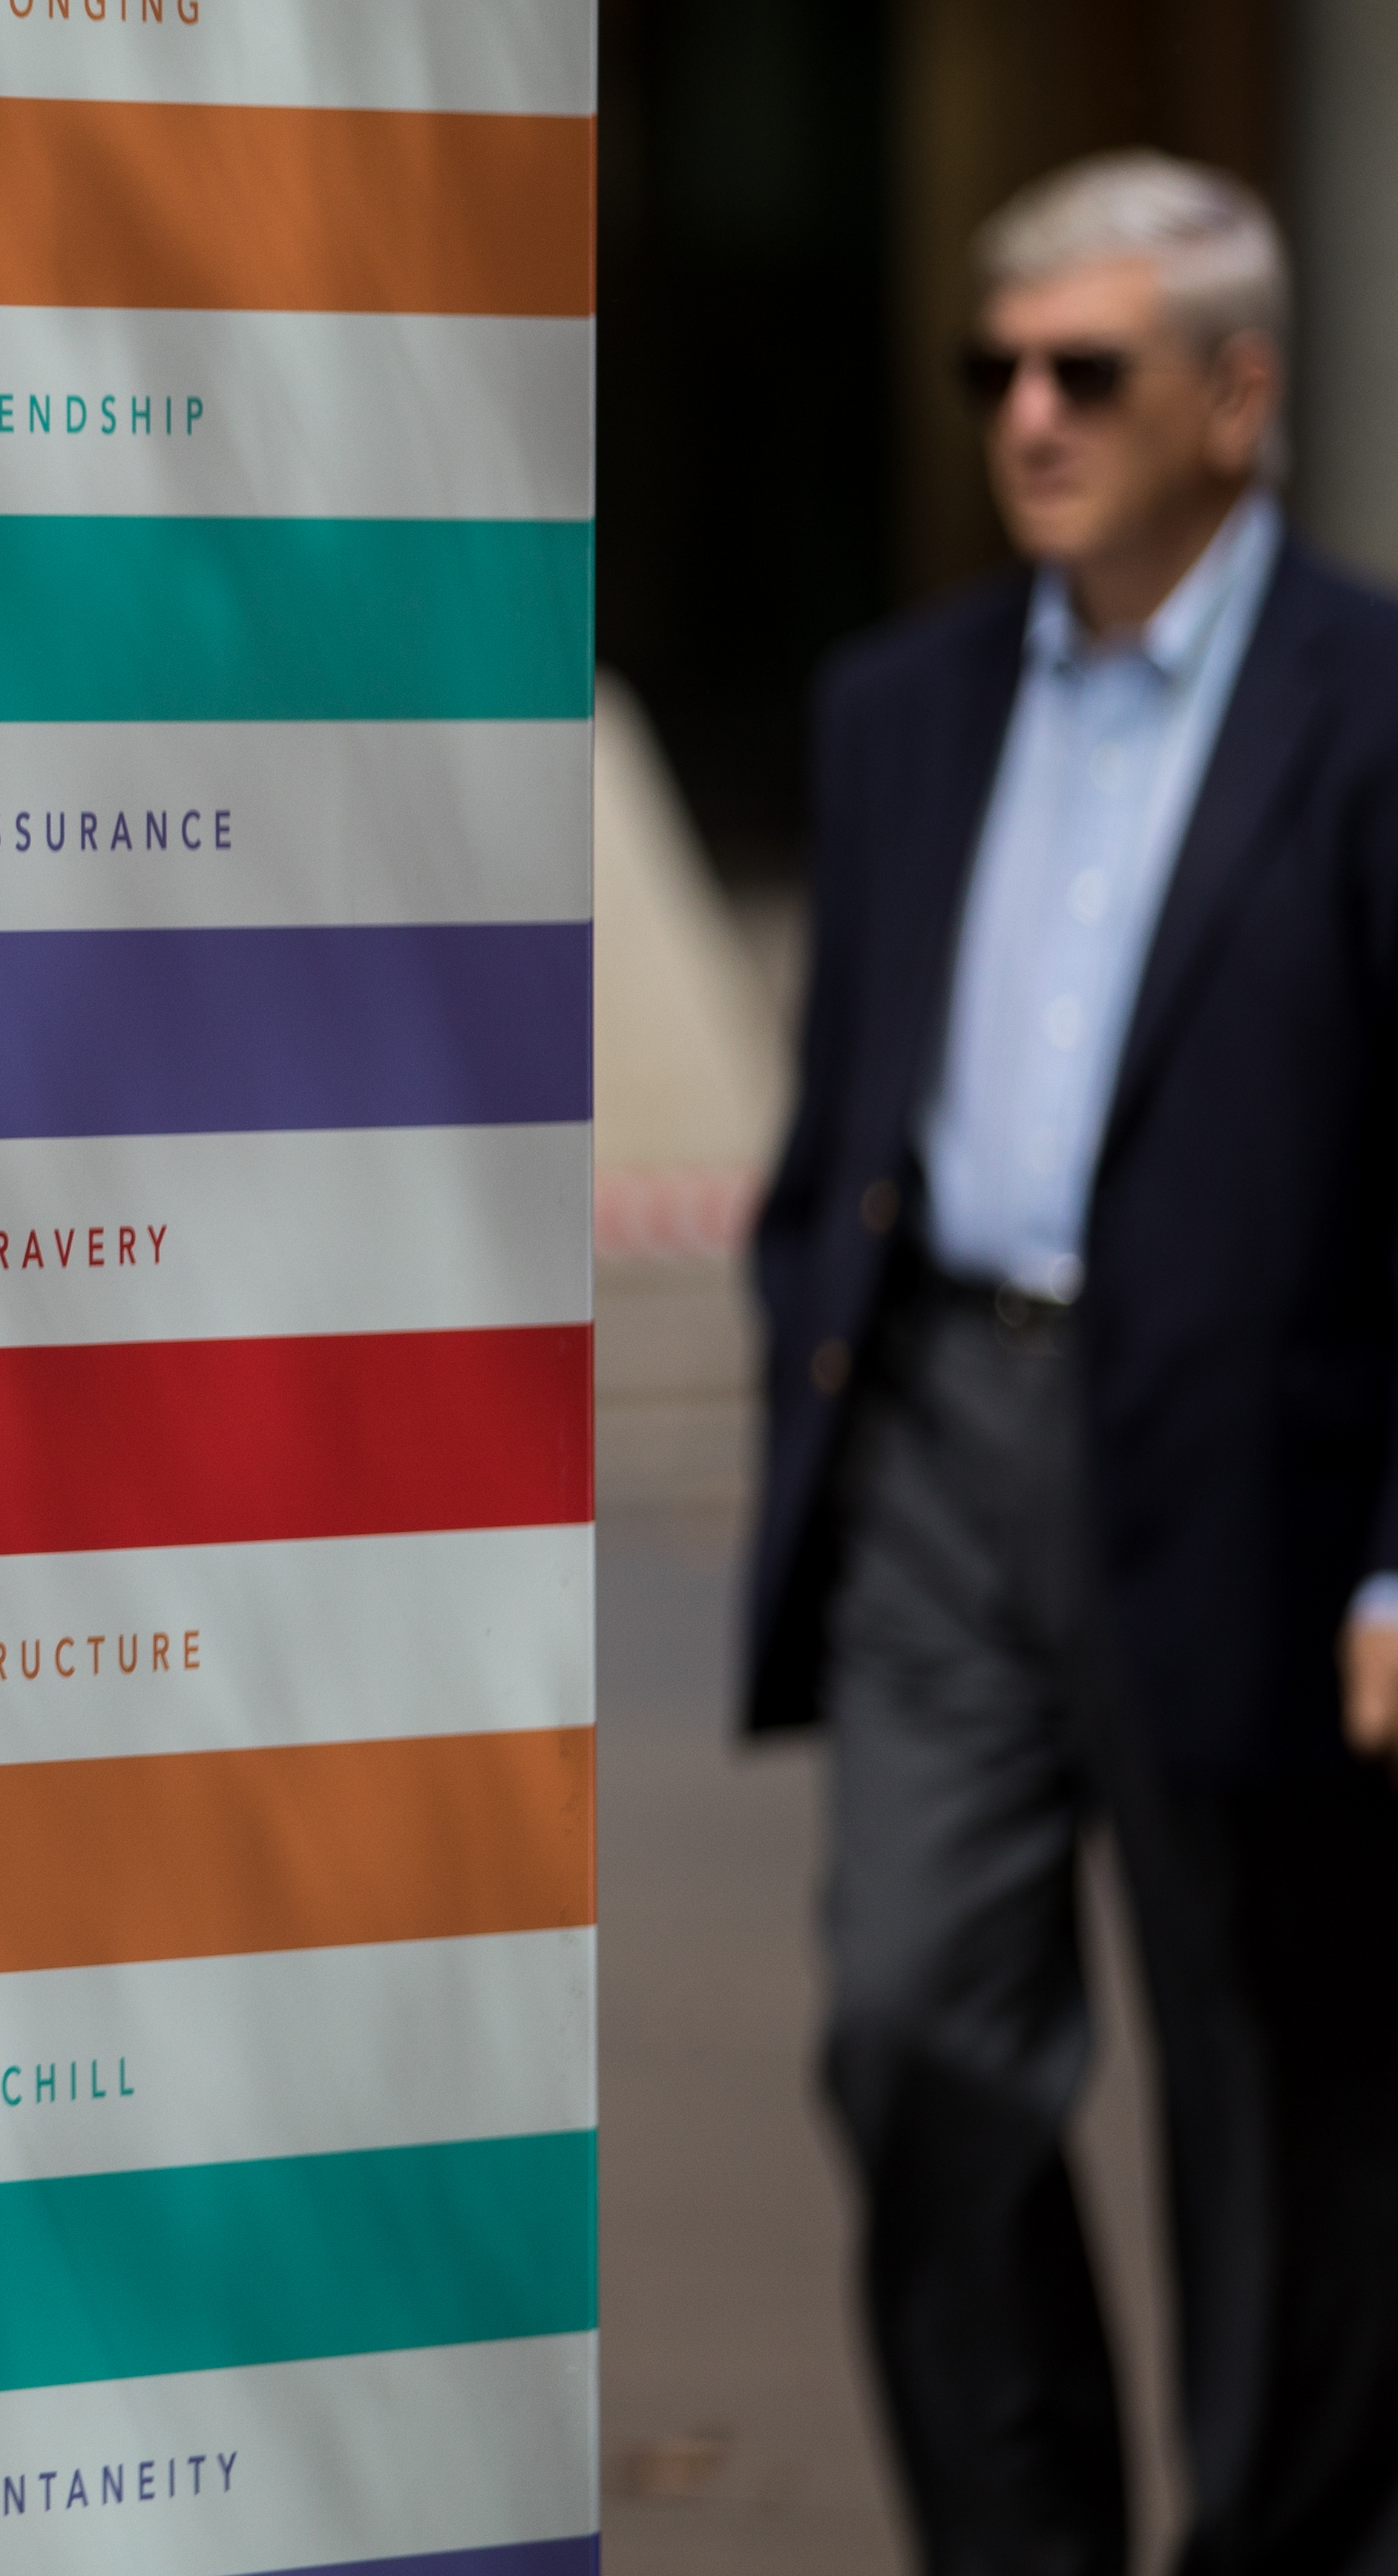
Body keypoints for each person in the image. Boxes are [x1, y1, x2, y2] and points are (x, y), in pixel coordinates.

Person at [746, 150, 1398, 2575]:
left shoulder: (1369, 702)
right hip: (940, 1435)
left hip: (1254, 1462)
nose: (1026, 411)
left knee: (1279, 2092)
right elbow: (839, 1111)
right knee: (906, 2019)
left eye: (1084, 367)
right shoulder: (895, 702)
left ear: (1235, 397)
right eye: (992, 365)